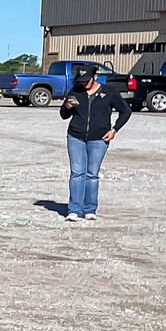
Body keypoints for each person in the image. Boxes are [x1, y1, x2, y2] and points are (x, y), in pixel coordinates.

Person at [59, 66, 130, 221]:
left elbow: (126, 112)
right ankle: (74, 209)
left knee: (92, 174)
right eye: (81, 81)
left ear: (95, 77)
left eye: (87, 80)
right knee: (77, 172)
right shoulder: (75, 91)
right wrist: (67, 107)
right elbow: (64, 115)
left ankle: (90, 209)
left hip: (99, 139)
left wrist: (114, 130)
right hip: (75, 136)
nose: (84, 84)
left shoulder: (109, 92)